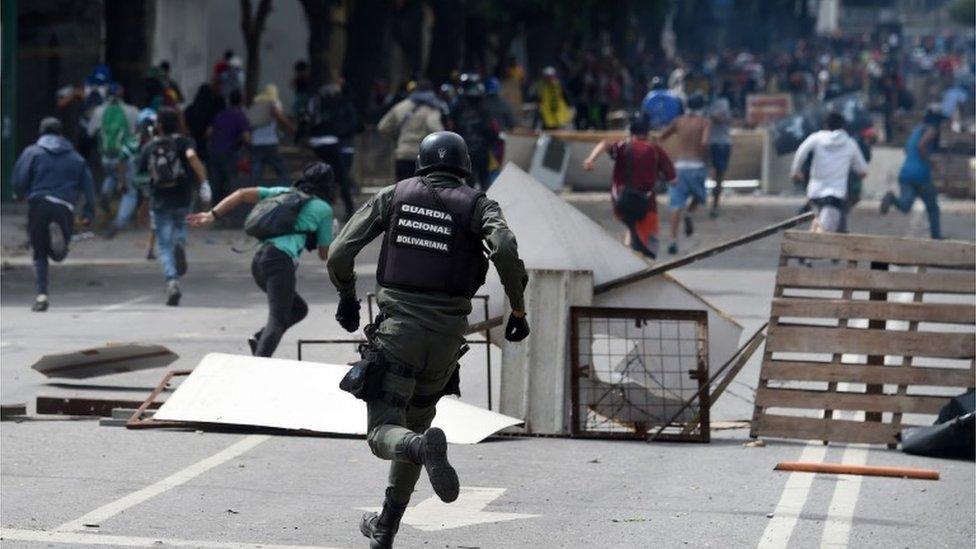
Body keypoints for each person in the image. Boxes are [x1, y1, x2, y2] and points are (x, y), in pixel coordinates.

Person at [326, 131, 529, 549]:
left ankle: (418, 447)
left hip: (398, 331)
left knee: (387, 432)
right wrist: (518, 309)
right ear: (464, 167)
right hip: (446, 340)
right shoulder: (479, 205)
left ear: (420, 163)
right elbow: (505, 248)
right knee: (418, 419)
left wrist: (347, 297)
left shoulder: (394, 196)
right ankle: (384, 528)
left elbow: (339, 252)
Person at [188, 163, 335, 356]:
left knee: (298, 309)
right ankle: (258, 365)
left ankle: (259, 338)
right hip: (280, 263)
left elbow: (241, 194)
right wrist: (332, 233)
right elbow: (324, 254)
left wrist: (211, 215)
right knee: (278, 319)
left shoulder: (283, 192)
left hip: (259, 261)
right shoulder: (324, 208)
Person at [12, 117, 96, 312]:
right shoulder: (76, 157)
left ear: (41, 134)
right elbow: (88, 186)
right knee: (59, 254)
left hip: (39, 204)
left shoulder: (32, 152)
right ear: (60, 134)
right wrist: (89, 212)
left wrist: (19, 194)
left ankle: (41, 295)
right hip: (64, 205)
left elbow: (19, 177)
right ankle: (59, 244)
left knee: (39, 253)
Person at [138, 107, 211, 305]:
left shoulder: (151, 146)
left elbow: (142, 173)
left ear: (159, 126)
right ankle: (180, 243)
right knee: (180, 227)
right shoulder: (184, 142)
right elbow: (191, 157)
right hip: (182, 197)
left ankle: (172, 281)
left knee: (163, 244)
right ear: (178, 123)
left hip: (159, 200)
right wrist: (204, 181)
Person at [582, 114, 675, 259]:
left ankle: (626, 259)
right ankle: (637, 268)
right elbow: (672, 179)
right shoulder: (656, 150)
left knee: (631, 229)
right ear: (647, 133)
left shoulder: (624, 146)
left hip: (621, 202)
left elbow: (605, 144)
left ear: (631, 133)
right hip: (646, 206)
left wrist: (591, 159)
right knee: (647, 249)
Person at [790, 112, 868, 234]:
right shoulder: (850, 143)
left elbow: (801, 152)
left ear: (826, 125)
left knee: (820, 220)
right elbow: (863, 169)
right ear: (843, 126)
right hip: (837, 195)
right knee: (834, 229)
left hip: (815, 193)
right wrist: (861, 173)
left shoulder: (816, 138)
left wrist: (795, 171)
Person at [880, 108, 944, 239]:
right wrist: (930, 162)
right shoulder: (932, 130)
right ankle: (936, 237)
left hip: (906, 174)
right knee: (932, 208)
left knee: (905, 206)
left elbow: (907, 149)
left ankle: (891, 197)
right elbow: (921, 146)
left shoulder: (916, 130)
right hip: (921, 175)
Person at [659, 92, 710, 255]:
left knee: (675, 205)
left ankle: (673, 240)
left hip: (679, 167)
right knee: (699, 196)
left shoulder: (678, 121)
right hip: (697, 166)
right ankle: (689, 212)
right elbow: (705, 143)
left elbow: (661, 136)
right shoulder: (704, 122)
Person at [306, 83, 361, 220]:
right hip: (336, 143)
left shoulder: (316, 103)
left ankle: (328, 207)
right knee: (341, 177)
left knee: (333, 177)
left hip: (324, 143)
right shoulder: (338, 105)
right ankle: (347, 208)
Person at [88, 84, 139, 230]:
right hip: (125, 156)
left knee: (112, 177)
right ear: (122, 94)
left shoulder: (99, 111)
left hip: (107, 157)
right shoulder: (132, 111)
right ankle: (120, 222)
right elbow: (137, 132)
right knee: (130, 190)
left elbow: (90, 132)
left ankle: (105, 199)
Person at [377, 79, 445, 181]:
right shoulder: (431, 109)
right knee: (420, 193)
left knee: (402, 192)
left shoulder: (401, 106)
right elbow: (437, 131)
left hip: (402, 155)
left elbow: (382, 127)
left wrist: (396, 138)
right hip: (422, 158)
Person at [449, 73, 496, 190]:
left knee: (471, 182)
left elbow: (451, 126)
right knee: (483, 181)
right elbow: (491, 127)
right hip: (479, 148)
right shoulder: (483, 104)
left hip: (467, 149)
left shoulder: (457, 104)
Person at [247, 84, 295, 186]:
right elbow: (280, 117)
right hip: (269, 141)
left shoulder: (257, 103)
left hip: (256, 141)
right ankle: (285, 188)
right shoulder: (272, 104)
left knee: (257, 169)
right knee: (281, 167)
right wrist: (291, 128)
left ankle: (253, 191)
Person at [208, 89, 250, 204]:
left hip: (214, 151)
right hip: (229, 152)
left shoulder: (220, 114)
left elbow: (209, 132)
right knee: (229, 181)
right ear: (241, 101)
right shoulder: (240, 116)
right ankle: (227, 208)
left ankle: (214, 207)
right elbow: (247, 137)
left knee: (215, 181)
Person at [707, 96, 732, 218]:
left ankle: (715, 205)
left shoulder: (722, 102)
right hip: (711, 143)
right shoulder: (706, 102)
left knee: (719, 176)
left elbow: (721, 119)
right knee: (714, 175)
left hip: (721, 143)